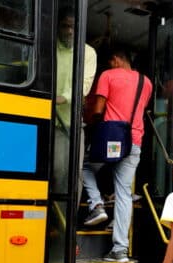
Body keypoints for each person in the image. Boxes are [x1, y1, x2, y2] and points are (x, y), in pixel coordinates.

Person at [81, 47, 152, 263]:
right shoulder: (146, 82)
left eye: (110, 61)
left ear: (116, 59)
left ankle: (96, 205)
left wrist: (91, 124)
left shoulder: (107, 75)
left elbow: (97, 110)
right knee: (124, 193)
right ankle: (120, 249)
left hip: (113, 141)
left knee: (83, 166)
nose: (109, 65)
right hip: (135, 141)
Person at [53, 5, 97, 195]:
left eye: (73, 27)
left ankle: (67, 222)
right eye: (65, 26)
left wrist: (61, 98)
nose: (69, 31)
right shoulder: (49, 46)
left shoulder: (88, 53)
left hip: (71, 124)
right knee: (53, 171)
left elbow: (83, 86)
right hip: (46, 120)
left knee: (72, 174)